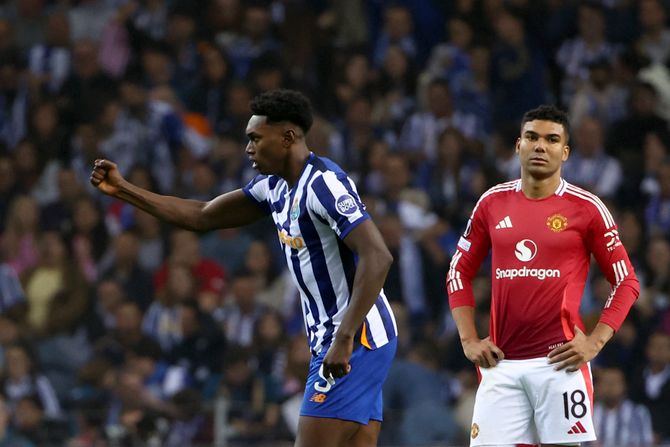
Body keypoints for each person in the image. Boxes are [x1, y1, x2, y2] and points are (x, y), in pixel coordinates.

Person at [90, 89, 397, 447]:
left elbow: (378, 256)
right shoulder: (273, 187)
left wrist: (344, 337)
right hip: (340, 339)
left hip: (356, 336)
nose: (248, 148)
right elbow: (202, 215)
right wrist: (124, 189)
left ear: (287, 137)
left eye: (255, 138)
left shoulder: (323, 184)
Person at [446, 105, 640, 446]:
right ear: (518, 145)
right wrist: (468, 339)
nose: (540, 146)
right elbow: (458, 271)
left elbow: (626, 281)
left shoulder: (587, 208)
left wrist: (595, 341)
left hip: (560, 366)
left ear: (565, 152)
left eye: (551, 140)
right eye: (532, 137)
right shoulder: (492, 202)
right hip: (501, 365)